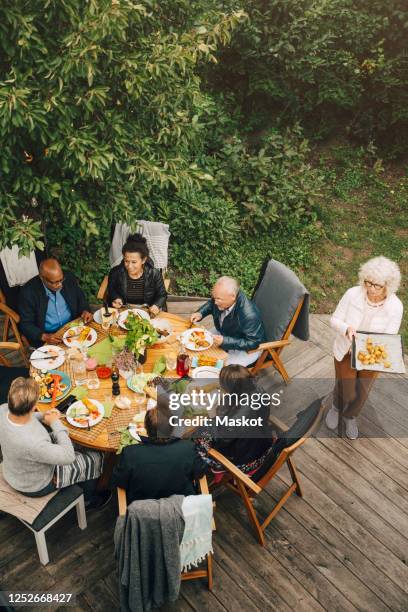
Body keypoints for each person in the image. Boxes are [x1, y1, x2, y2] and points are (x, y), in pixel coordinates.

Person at [0, 377, 110, 509]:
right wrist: (55, 423)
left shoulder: (3, 409)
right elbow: (68, 456)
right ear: (33, 406)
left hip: (15, 469)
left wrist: (43, 415)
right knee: (95, 457)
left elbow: (24, 416)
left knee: (79, 443)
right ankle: (88, 500)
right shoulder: (33, 443)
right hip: (36, 484)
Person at [326, 256, 403, 439]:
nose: (371, 289)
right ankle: (336, 407)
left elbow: (388, 337)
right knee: (346, 386)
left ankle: (350, 416)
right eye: (369, 282)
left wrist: (365, 346)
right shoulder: (353, 293)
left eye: (378, 286)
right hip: (346, 348)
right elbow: (334, 320)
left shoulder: (395, 306)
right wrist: (346, 329)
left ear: (388, 286)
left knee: (362, 390)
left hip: (372, 355)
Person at [111, 398, 208, 503]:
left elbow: (119, 482)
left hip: (143, 513)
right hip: (182, 510)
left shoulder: (129, 453)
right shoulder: (189, 448)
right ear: (172, 428)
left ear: (146, 428)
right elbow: (200, 473)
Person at [195, 365, 274, 475]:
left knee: (197, 436)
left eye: (222, 386)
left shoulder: (236, 419)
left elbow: (221, 437)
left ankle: (212, 468)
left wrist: (213, 415)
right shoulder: (257, 389)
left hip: (243, 460)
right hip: (263, 445)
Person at [190, 276, 265, 367]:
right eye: (215, 298)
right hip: (224, 331)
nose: (215, 302)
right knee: (198, 344)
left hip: (246, 349)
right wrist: (200, 313)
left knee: (219, 366)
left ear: (233, 296)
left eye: (219, 299)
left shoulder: (249, 316)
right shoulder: (223, 297)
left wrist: (225, 341)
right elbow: (211, 303)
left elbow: (254, 343)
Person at [19, 258, 92, 347]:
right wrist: (44, 337)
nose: (60, 285)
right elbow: (25, 324)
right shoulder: (28, 292)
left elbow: (80, 298)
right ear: (42, 278)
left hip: (73, 328)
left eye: (61, 280)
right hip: (50, 336)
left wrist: (85, 310)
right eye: (55, 282)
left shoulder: (68, 278)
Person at [107, 233, 167, 316]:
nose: (129, 266)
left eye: (134, 262)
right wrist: (116, 298)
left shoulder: (154, 274)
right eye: (126, 261)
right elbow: (111, 289)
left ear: (143, 260)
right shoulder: (115, 272)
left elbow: (162, 294)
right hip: (123, 312)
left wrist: (157, 305)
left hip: (147, 312)